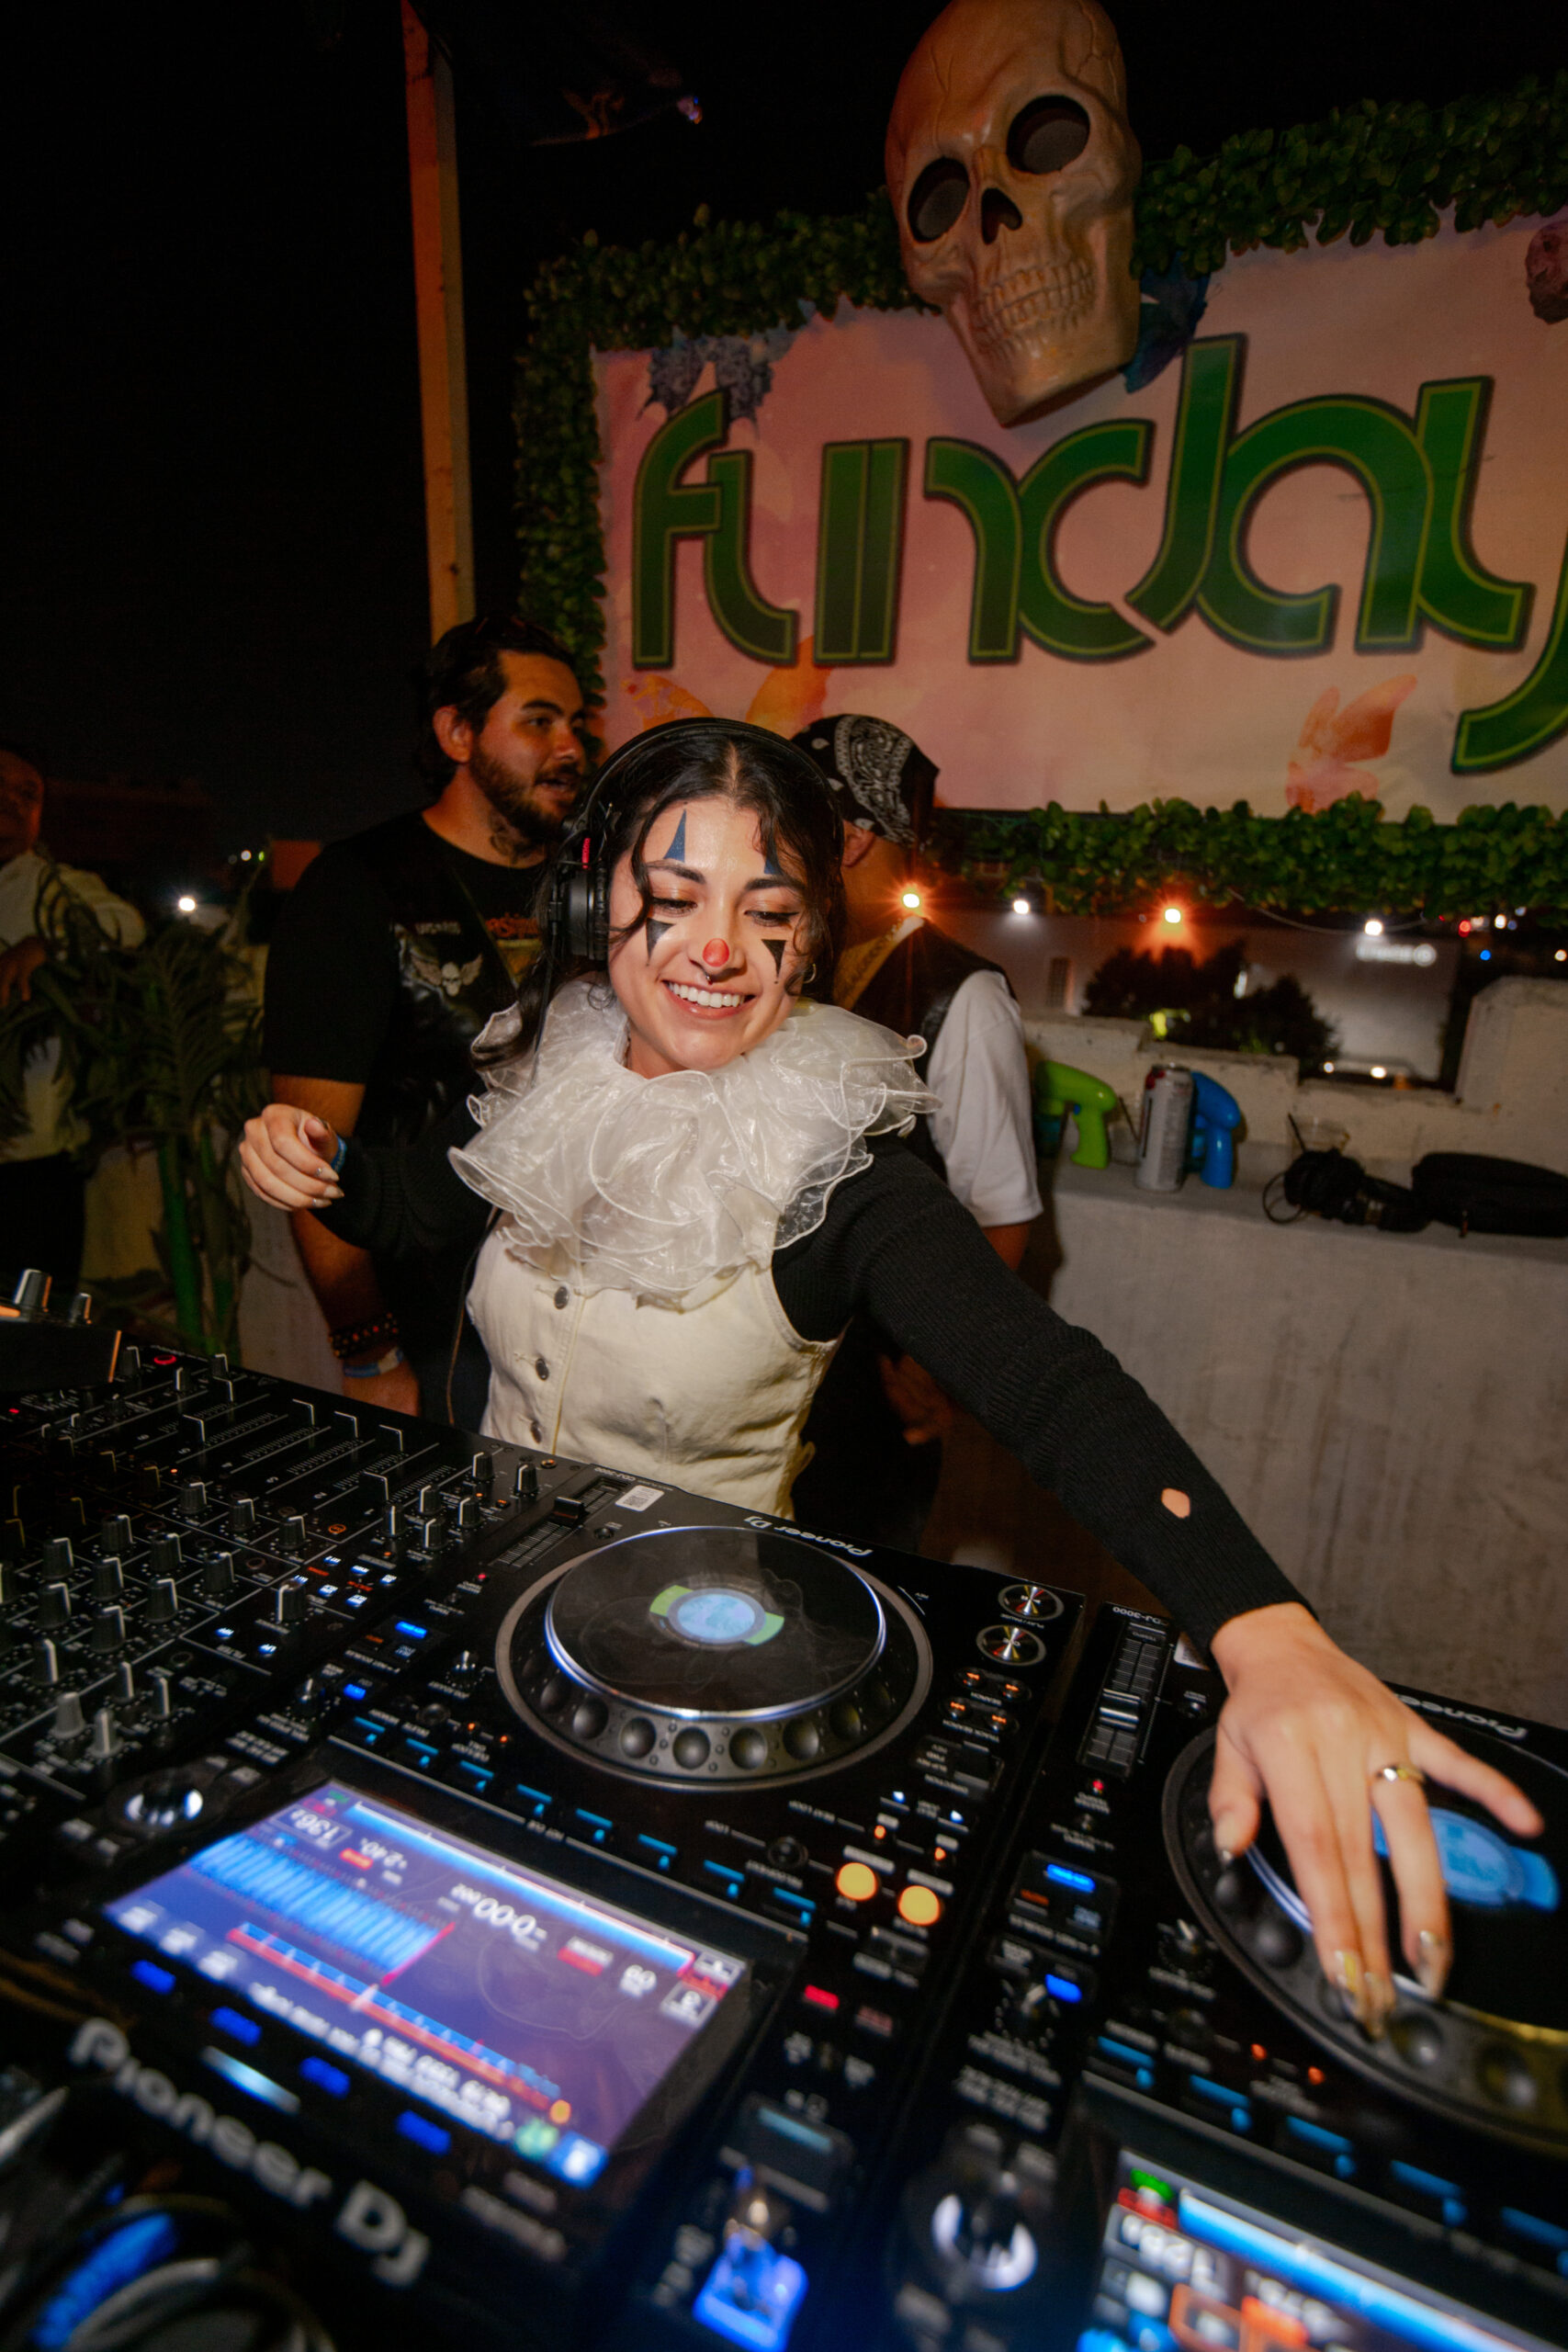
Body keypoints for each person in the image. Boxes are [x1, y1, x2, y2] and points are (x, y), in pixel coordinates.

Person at [240, 718, 1540, 2044]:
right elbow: (429, 1203)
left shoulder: (838, 1168)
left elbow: (1050, 1384)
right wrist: (322, 1164)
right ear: (590, 898)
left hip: (699, 1685)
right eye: (673, 898)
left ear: (809, 938)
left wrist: (1266, 1629)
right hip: (492, 1612)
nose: (716, 950)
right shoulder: (545, 1072)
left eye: (767, 913)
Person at [263, 616, 589, 1424]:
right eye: (539, 721)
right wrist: (368, 1349)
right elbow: (311, 1154)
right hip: (442, 1330)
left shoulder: (594, 887)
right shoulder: (357, 888)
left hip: (586, 1317)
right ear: (457, 733)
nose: (570, 748)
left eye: (576, 724)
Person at [790, 714, 1041, 1549]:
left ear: (850, 836)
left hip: (872, 1388)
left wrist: (930, 1364)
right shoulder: (778, 961)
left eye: (787, 821)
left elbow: (1001, 1215)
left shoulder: (962, 998)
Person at [0, 741, 144, 1292]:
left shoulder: (50, 885)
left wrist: (46, 944)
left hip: (32, 1154)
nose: (12, 803)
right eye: (0, 787)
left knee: (33, 1313)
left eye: (28, 795)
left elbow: (123, 924)